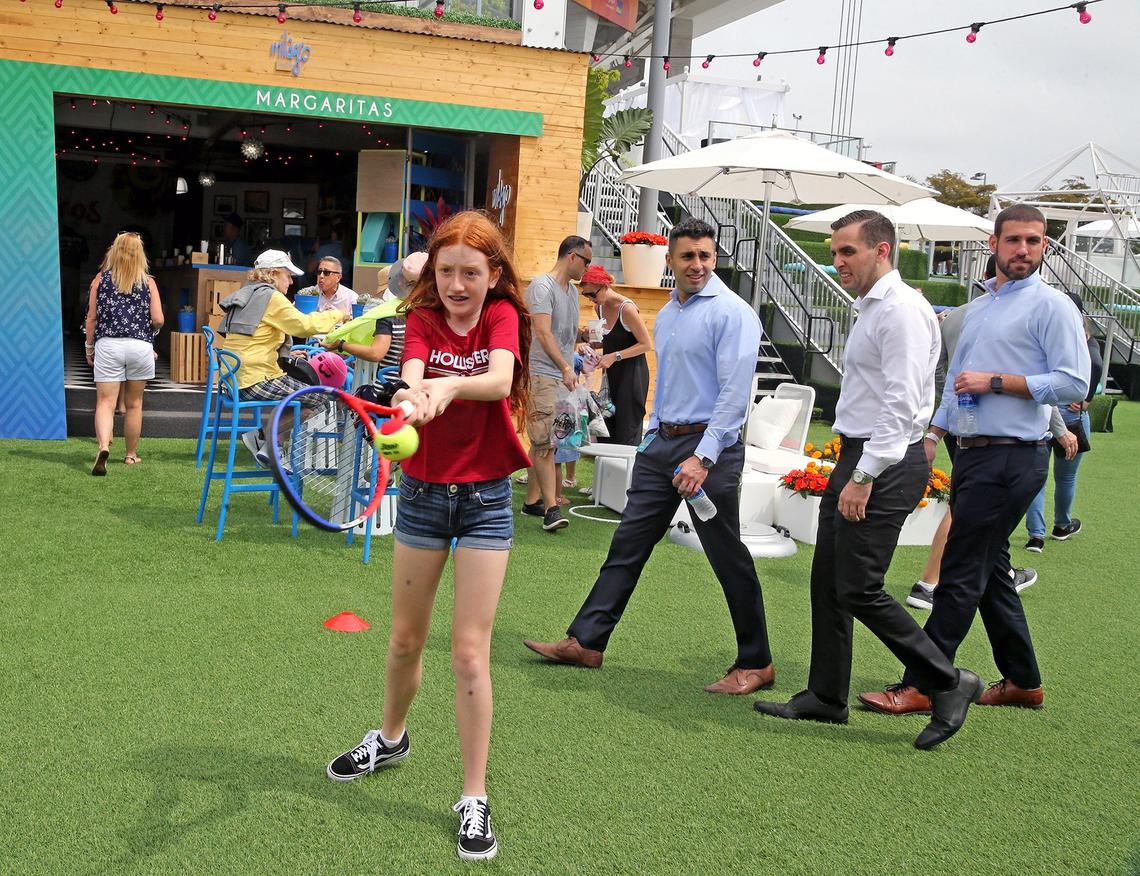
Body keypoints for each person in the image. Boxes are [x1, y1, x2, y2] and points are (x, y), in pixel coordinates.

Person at [325, 211, 532, 863]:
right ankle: (390, 738)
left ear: (493, 273)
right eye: (447, 272)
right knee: (406, 639)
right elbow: (411, 374)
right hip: (422, 494)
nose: (458, 285)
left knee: (469, 652)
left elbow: (499, 379)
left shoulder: (502, 317)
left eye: (471, 272)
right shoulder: (421, 321)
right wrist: (413, 399)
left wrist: (450, 387)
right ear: (431, 275)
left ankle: (474, 796)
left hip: (486, 499)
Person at [753, 211, 983, 750]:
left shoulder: (900, 310)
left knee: (858, 586)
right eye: (835, 252)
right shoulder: (875, 306)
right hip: (864, 456)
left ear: (882, 251)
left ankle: (950, 682)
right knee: (828, 581)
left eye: (847, 252)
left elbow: (903, 405)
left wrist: (862, 475)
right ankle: (826, 696)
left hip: (885, 462)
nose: (837, 263)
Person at [522, 218, 777, 696]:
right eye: (687, 256)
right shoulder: (675, 312)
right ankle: (587, 642)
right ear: (672, 262)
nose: (697, 264)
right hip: (663, 446)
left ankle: (757, 662)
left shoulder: (733, 313)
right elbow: (675, 382)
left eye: (704, 255)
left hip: (710, 451)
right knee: (627, 546)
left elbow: (733, 395)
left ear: (715, 257)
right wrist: (652, 434)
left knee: (726, 556)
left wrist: (702, 458)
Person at [859, 204, 1089, 715]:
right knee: (989, 569)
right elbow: (955, 377)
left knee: (960, 570)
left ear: (1045, 247)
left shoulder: (1053, 307)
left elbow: (1076, 383)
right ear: (994, 244)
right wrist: (933, 433)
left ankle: (924, 683)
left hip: (1015, 456)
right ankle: (1024, 682)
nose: (1023, 250)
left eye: (1033, 241)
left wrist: (1001, 383)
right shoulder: (982, 307)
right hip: (972, 453)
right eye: (1013, 241)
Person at [905, 255, 1041, 611]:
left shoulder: (957, 316)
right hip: (991, 435)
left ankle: (971, 579)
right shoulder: (983, 315)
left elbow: (942, 377)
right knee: (965, 514)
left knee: (972, 516)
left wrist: (936, 428)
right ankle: (930, 583)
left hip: (957, 424)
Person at [217, 250, 343, 466]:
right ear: (274, 273)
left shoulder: (250, 293)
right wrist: (339, 314)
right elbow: (305, 326)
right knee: (321, 399)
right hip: (255, 378)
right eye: (288, 275)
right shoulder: (272, 297)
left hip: (234, 377)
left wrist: (283, 352)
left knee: (299, 391)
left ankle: (269, 445)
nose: (292, 281)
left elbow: (254, 337)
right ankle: (265, 438)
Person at [521, 235, 592, 532]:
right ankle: (551, 508)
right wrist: (565, 365)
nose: (588, 268)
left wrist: (585, 338)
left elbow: (564, 332)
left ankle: (532, 502)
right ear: (572, 257)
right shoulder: (542, 286)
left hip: (562, 375)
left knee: (547, 440)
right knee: (544, 442)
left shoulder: (572, 293)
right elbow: (542, 331)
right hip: (542, 373)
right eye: (586, 261)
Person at [1023, 307, 1102, 552]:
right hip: (1071, 413)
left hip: (1043, 411)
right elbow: (1097, 365)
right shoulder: (1087, 343)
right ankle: (1061, 525)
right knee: (1066, 476)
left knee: (1038, 478)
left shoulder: (1045, 338)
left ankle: (1036, 536)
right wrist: (1086, 398)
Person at [84, 231, 163, 475]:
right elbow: (158, 319)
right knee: (134, 404)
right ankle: (130, 455)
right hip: (140, 346)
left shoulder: (101, 279)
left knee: (105, 403)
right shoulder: (148, 282)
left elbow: (92, 318)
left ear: (115, 251)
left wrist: (89, 347)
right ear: (140, 255)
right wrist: (150, 332)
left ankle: (103, 446)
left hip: (108, 345)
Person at [578, 264, 652, 445]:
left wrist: (614, 356)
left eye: (592, 294)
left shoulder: (626, 309)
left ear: (604, 286)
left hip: (632, 374)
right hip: (610, 375)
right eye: (585, 295)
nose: (590, 299)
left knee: (626, 428)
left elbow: (646, 344)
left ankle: (627, 472)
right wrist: (590, 346)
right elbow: (610, 341)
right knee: (606, 426)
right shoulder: (600, 307)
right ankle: (605, 472)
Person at [322, 254, 425, 376]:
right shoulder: (432, 312)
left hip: (390, 386)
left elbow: (376, 353)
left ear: (400, 283)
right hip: (421, 388)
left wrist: (341, 345)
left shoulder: (389, 315)